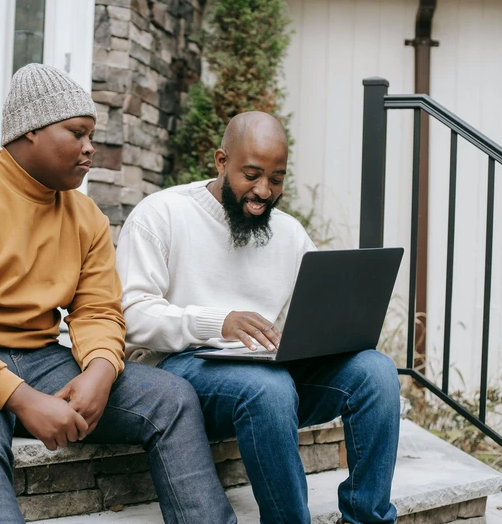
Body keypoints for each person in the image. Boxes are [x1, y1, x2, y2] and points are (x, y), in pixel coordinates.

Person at [0, 63, 236, 524]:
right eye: (77, 133)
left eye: (91, 135)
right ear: (30, 130)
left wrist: (100, 369)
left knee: (172, 398)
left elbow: (98, 309)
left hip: (42, 358)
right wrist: (21, 398)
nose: (90, 147)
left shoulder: (86, 216)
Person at [115, 111, 401, 524]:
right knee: (267, 387)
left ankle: (367, 519)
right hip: (179, 368)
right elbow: (131, 315)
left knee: (375, 372)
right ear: (221, 161)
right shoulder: (161, 214)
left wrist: (324, 335)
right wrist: (219, 321)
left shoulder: (289, 232)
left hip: (261, 368)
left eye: (276, 179)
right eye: (251, 175)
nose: (264, 191)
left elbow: (317, 309)